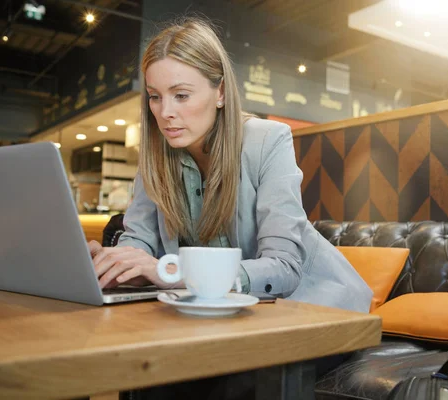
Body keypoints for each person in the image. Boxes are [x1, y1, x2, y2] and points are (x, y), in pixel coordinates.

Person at [87, 15, 373, 399]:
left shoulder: (268, 140)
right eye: (155, 96)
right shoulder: (155, 156)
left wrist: (172, 272)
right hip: (228, 314)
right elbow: (137, 239)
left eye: (181, 95)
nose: (165, 112)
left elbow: (285, 269)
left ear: (220, 93)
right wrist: (117, 263)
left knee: (219, 383)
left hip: (315, 308)